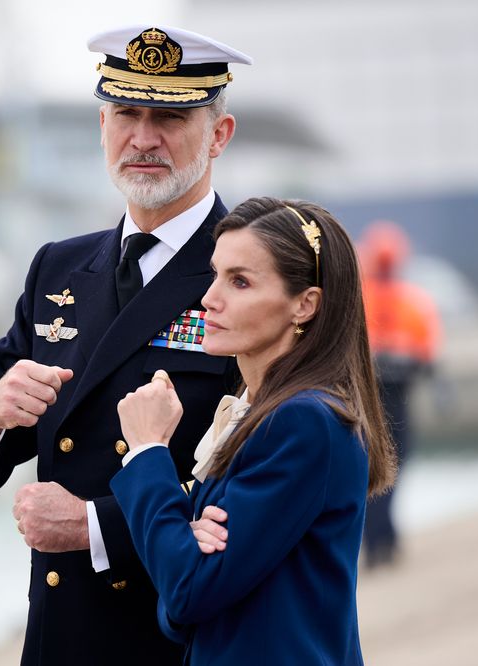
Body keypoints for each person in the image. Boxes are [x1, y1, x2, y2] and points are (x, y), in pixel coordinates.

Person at [0, 25, 251, 665]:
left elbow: (260, 496)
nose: (143, 138)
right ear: (102, 124)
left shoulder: (251, 273)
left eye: (169, 117)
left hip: (178, 640)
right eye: (125, 112)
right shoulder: (58, 270)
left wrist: (93, 529)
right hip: (62, 639)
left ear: (219, 135)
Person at [112, 197, 397, 665]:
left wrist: (147, 451)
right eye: (216, 274)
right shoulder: (264, 413)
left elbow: (186, 591)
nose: (209, 298)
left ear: (305, 304)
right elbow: (180, 611)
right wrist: (186, 550)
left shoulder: (304, 421)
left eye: (239, 281)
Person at [358, 221, 441, 568]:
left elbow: (427, 355)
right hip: (384, 396)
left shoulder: (367, 298)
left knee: (375, 471)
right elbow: (428, 358)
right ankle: (383, 540)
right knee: (386, 469)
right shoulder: (411, 301)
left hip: (374, 396)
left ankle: (382, 539)